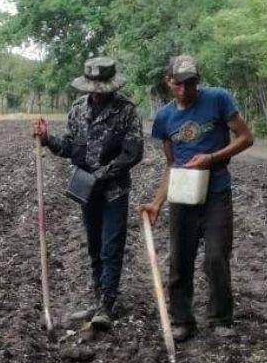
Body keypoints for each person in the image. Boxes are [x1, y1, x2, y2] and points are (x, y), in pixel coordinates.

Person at [140, 55, 254, 342]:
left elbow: (246, 137)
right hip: (182, 195)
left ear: (198, 81)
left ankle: (221, 319)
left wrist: (212, 158)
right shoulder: (165, 117)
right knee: (180, 259)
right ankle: (182, 320)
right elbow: (171, 164)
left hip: (216, 190)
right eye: (178, 84)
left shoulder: (218, 100)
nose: (185, 90)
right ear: (168, 83)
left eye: (190, 83)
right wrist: (156, 203)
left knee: (216, 256)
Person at [32, 57, 144, 329]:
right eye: (92, 85)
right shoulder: (77, 110)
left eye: (101, 85)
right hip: (87, 191)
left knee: (111, 247)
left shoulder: (126, 111)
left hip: (114, 191)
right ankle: (98, 299)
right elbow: (70, 147)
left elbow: (133, 153)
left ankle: (108, 303)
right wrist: (47, 140)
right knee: (94, 246)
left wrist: (100, 175)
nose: (96, 91)